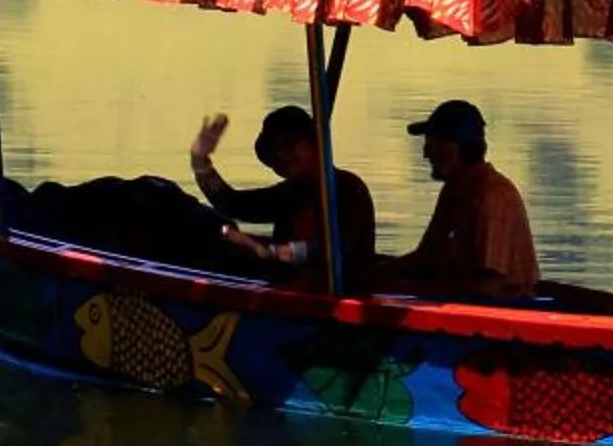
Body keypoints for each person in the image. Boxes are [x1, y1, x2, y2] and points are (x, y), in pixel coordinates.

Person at [190, 104, 376, 288]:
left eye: (289, 146)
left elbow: (333, 249)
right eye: (273, 152)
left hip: (336, 297)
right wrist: (200, 161)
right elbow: (232, 204)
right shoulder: (293, 192)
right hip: (290, 288)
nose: (282, 156)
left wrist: (270, 251)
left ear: (314, 143)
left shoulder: (348, 189)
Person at [374, 98, 540, 300]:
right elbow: (425, 259)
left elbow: (489, 286)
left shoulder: (493, 196)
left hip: (503, 318)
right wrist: (375, 272)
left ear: (452, 148)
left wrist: (421, 291)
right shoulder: (453, 191)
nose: (426, 153)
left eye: (431, 143)